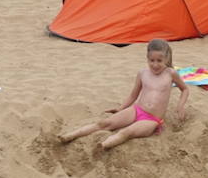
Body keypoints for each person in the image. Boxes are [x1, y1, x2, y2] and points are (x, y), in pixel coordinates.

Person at [59, 39, 188, 149]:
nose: (155, 65)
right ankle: (71, 135)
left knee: (126, 132)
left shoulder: (170, 74)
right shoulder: (142, 73)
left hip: (152, 119)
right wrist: (121, 108)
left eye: (159, 61)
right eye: (152, 60)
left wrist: (180, 106)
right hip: (136, 110)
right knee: (104, 123)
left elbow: (185, 89)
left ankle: (103, 146)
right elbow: (133, 95)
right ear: (147, 58)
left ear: (166, 59)